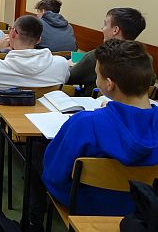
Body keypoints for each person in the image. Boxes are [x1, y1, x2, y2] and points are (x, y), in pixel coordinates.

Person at [40, 40, 158, 220]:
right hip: (147, 208)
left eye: (97, 75)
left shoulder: (84, 123)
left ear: (109, 84)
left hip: (87, 205)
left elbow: (54, 175)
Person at [68, 7, 148, 95]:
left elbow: (69, 77)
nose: (102, 28)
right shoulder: (145, 60)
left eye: (105, 24)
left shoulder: (98, 57)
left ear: (115, 30)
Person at [0, 15, 70, 89]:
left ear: (13, 34)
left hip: (10, 108)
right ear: (38, 40)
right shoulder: (61, 64)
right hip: (46, 108)